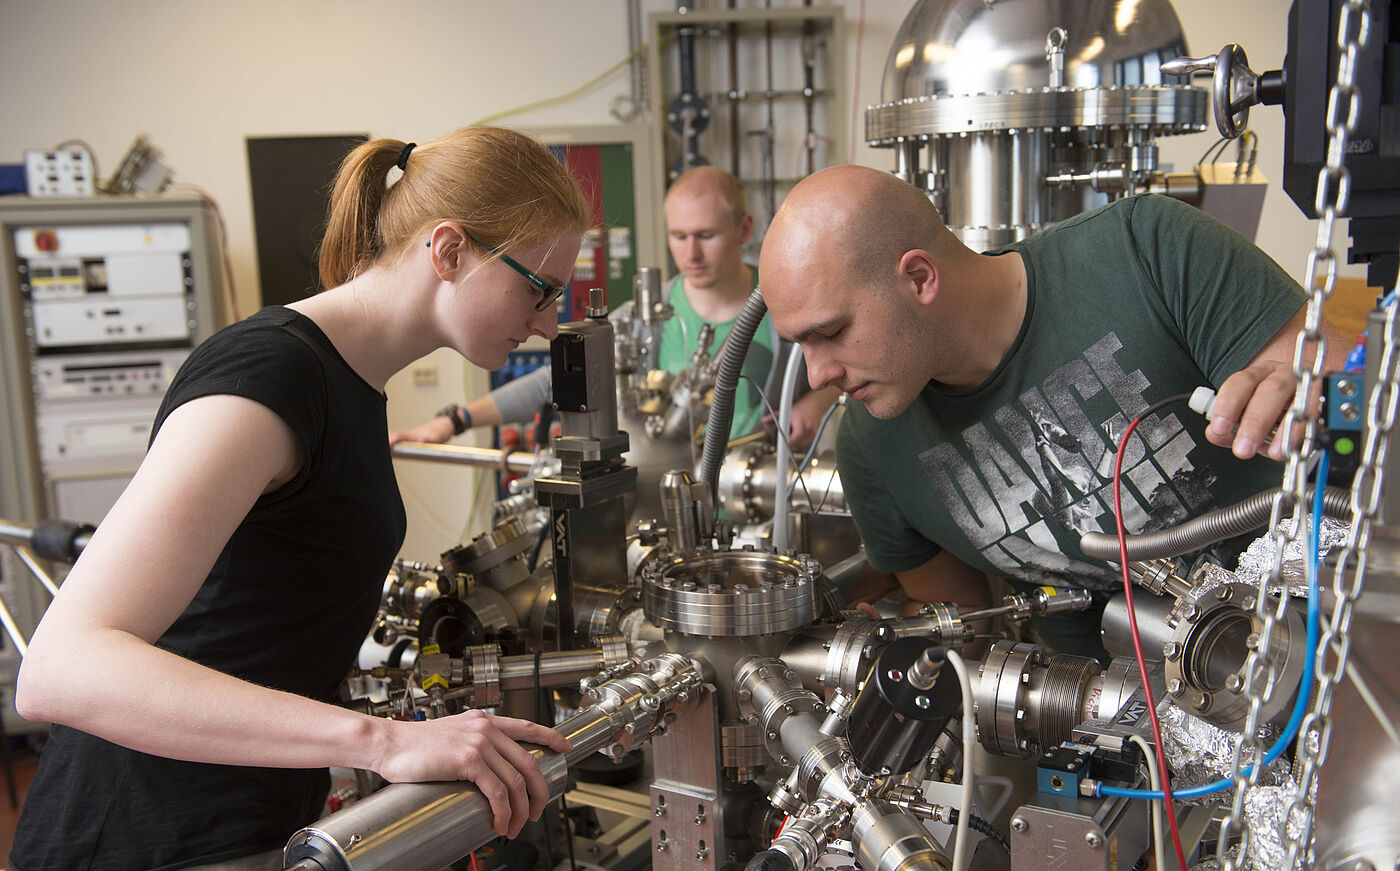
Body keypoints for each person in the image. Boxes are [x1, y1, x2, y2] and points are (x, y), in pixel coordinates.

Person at [11, 126, 589, 871]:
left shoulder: (351, 383)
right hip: (141, 836)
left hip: (252, 822)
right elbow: (61, 667)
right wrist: (383, 741)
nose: (546, 322)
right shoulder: (271, 374)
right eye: (538, 288)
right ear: (448, 252)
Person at [757, 164, 1348, 659]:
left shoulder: (1144, 250)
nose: (817, 375)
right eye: (800, 345)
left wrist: (1315, 389)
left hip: (1332, 648)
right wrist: (880, 647)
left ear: (918, 277)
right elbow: (961, 618)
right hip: (1121, 729)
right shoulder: (874, 444)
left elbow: (1339, 394)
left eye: (830, 333)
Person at [389, 165, 839, 450]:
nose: (691, 253)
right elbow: (555, 381)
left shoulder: (787, 308)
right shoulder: (646, 319)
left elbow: (847, 363)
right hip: (674, 513)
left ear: (744, 228)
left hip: (760, 506)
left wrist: (817, 404)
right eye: (679, 236)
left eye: (706, 236)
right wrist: (456, 420)